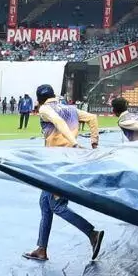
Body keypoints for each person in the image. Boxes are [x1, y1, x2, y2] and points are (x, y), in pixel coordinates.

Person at [25, 84, 104, 263]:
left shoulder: (45, 109)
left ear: (39, 99)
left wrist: (74, 142)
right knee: (45, 203)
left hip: (57, 163)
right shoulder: (71, 109)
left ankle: (92, 234)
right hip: (67, 161)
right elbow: (92, 118)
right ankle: (41, 248)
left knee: (56, 205)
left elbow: (58, 122)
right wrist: (94, 141)